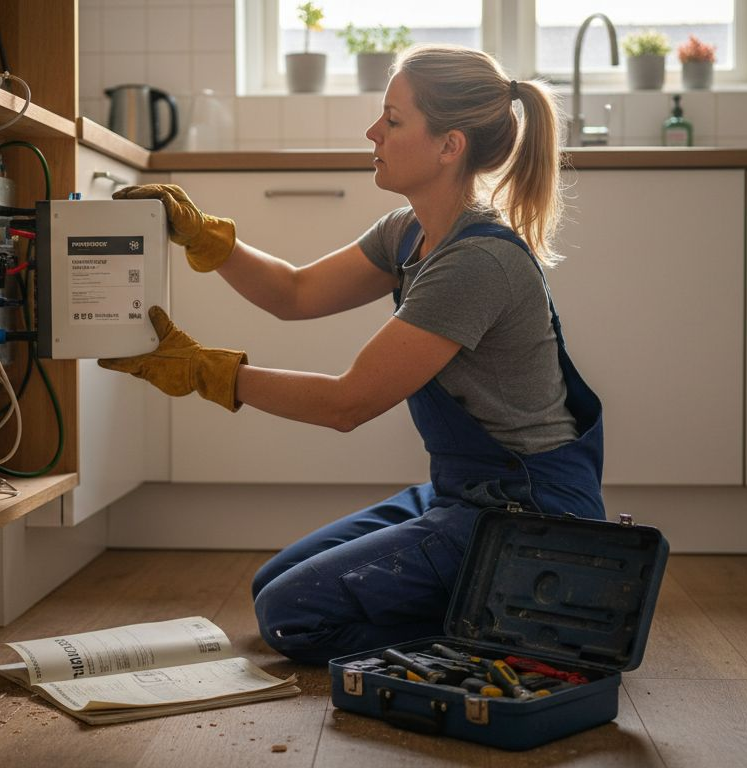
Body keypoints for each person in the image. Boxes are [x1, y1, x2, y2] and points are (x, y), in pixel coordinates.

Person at [99, 44, 604, 665]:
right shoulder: (409, 232)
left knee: (290, 617)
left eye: (393, 121)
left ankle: (521, 621)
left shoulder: (478, 262)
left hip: (528, 515)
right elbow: (295, 292)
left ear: (450, 145)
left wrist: (206, 372)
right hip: (462, 493)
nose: (373, 133)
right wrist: (203, 235)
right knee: (272, 587)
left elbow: (348, 403)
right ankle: (497, 606)